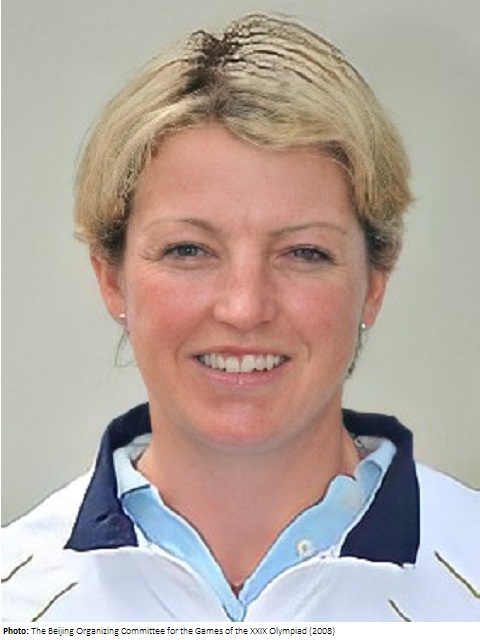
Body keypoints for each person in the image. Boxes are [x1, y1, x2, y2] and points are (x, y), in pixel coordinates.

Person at [2, 13, 479, 623]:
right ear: (112, 279)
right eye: (189, 250)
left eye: (304, 253)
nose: (245, 308)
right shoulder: (16, 598)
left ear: (374, 285)